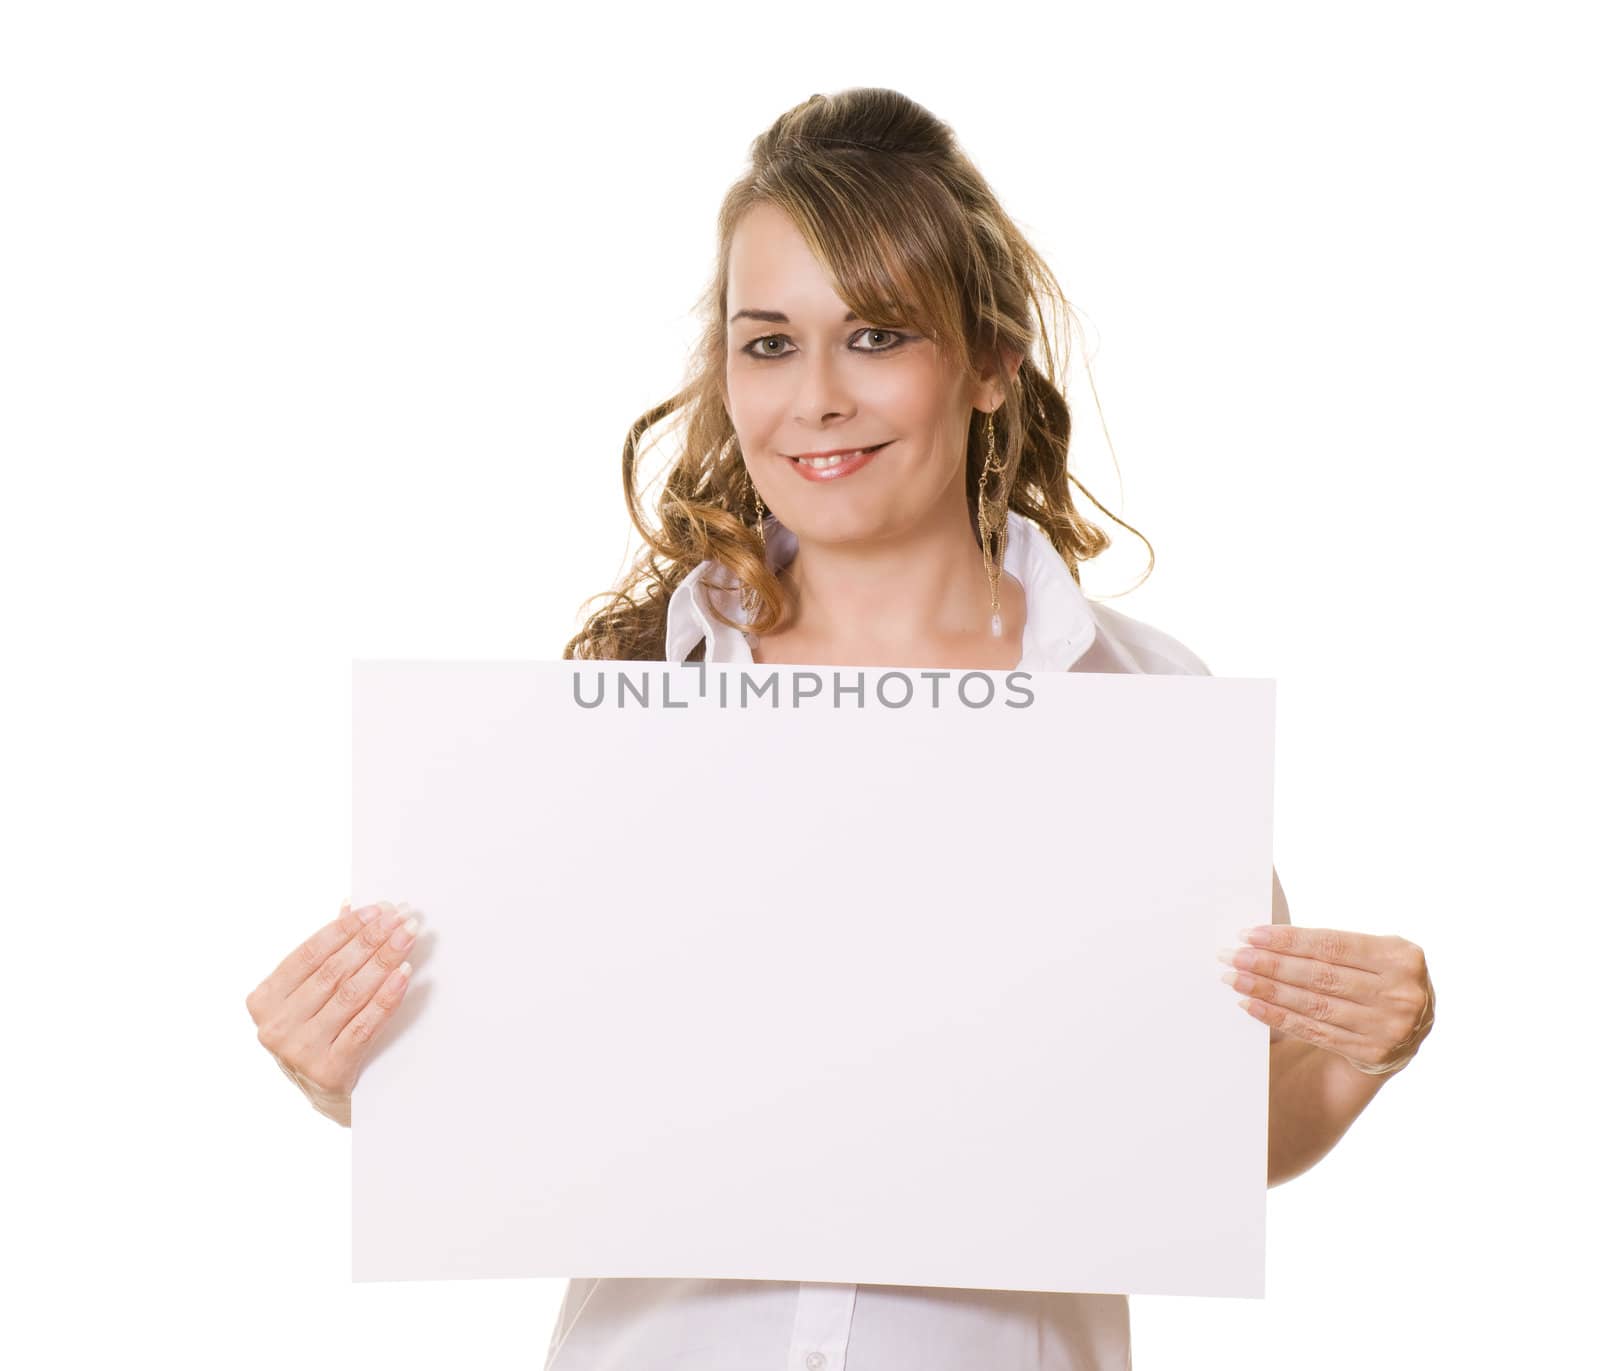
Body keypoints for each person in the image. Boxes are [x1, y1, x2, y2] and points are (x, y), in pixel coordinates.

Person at [246, 87, 1437, 1370]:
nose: (814, 397)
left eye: (875, 335)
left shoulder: (1145, 716)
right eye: (768, 343)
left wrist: (1343, 1065)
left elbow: (1173, 1147)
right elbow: (520, 1106)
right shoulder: (614, 710)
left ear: (990, 363)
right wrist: (343, 1066)